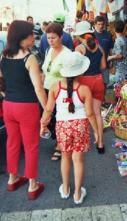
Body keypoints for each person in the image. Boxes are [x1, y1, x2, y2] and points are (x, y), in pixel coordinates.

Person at [0, 20, 47, 200]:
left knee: (12, 143)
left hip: (8, 105)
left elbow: (0, 82)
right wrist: (47, 109)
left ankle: (13, 179)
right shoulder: (29, 58)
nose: (34, 36)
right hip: (26, 106)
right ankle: (33, 185)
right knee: (31, 145)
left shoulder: (3, 56)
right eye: (30, 34)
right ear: (21, 37)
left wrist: (8, 96)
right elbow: (38, 88)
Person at [40, 51, 99, 205]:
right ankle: (78, 194)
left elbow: (48, 109)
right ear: (81, 71)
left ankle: (65, 189)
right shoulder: (85, 89)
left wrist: (43, 124)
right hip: (80, 126)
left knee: (65, 157)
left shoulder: (55, 87)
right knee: (78, 160)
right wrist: (97, 132)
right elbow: (90, 113)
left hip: (62, 126)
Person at [73, 21, 106, 154]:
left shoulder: (79, 49)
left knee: (82, 112)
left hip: (83, 81)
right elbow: (103, 67)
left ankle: (82, 141)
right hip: (98, 80)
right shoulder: (99, 47)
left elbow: (75, 69)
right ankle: (100, 144)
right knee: (97, 113)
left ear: (79, 35)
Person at [42, 22, 72, 161]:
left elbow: (70, 76)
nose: (50, 41)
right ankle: (58, 141)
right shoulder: (49, 50)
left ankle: (61, 146)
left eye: (53, 38)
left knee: (59, 118)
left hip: (60, 91)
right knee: (51, 119)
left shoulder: (67, 54)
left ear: (61, 37)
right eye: (48, 38)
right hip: (48, 90)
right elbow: (44, 71)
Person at [94, 16, 113, 91]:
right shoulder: (93, 35)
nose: (101, 26)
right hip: (95, 64)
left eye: (102, 24)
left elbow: (110, 48)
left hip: (105, 63)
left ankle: (104, 100)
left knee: (105, 82)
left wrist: (111, 60)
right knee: (96, 83)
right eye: (99, 24)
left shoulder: (108, 35)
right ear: (95, 24)